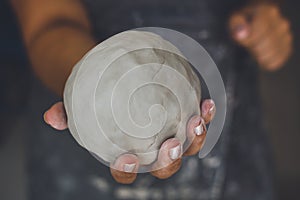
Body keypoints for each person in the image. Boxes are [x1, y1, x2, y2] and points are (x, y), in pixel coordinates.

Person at [10, 0, 293, 199]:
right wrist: (89, 84)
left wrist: (265, 19)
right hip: (82, 170)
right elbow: (49, 23)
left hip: (232, 131)